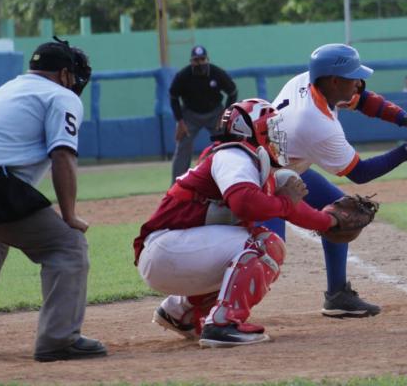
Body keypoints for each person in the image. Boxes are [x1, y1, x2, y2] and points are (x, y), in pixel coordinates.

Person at [134, 99, 341, 347]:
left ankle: (180, 312)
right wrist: (285, 204)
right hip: (167, 249)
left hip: (173, 251)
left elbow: (292, 211)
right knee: (264, 244)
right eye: (269, 128)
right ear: (250, 130)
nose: (275, 135)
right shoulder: (233, 154)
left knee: (243, 248)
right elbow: (244, 202)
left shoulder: (247, 160)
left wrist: (329, 221)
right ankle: (223, 323)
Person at [268, 43, 407, 318]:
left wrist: (406, 119)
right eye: (353, 76)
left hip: (284, 167)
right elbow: (361, 173)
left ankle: (338, 296)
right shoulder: (316, 123)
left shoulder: (310, 82)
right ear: (334, 81)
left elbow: (365, 99)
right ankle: (203, 309)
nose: (359, 82)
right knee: (267, 251)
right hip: (260, 178)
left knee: (339, 209)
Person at [0, 37, 107, 362]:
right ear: (64, 74)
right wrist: (70, 215)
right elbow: (63, 156)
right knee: (67, 247)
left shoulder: (7, 90)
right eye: (73, 76)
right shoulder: (60, 95)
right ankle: (58, 340)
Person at [169, 45, 238, 183]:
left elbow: (232, 92)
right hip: (191, 115)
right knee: (183, 147)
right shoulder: (183, 75)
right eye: (196, 60)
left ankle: (232, 179)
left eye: (202, 59)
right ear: (191, 61)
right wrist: (180, 121)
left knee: (227, 143)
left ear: (207, 59)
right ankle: (177, 185)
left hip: (215, 114)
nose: (199, 63)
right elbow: (173, 96)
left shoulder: (216, 73)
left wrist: (225, 114)